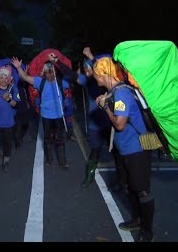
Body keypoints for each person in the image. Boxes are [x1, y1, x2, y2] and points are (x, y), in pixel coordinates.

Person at [93, 57, 155, 242]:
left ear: (103, 73)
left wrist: (105, 107)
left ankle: (147, 230)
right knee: (129, 187)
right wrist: (105, 101)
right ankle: (136, 219)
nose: (94, 77)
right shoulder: (114, 92)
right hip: (124, 149)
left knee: (142, 190)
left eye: (95, 73)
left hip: (136, 150)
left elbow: (119, 124)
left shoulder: (121, 94)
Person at [48, 48, 125, 189]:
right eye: (85, 68)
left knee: (117, 153)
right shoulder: (86, 80)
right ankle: (89, 178)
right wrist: (57, 61)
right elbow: (71, 74)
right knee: (95, 151)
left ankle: (121, 181)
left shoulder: (106, 80)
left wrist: (91, 56)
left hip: (110, 123)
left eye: (88, 68)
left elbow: (104, 68)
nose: (86, 71)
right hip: (95, 125)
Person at [11, 57, 70, 169]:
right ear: (44, 73)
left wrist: (59, 63)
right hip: (46, 116)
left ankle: (62, 162)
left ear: (55, 71)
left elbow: (73, 77)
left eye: (51, 71)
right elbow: (24, 77)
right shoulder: (39, 81)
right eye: (47, 72)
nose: (49, 74)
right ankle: (49, 159)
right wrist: (19, 68)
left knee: (60, 139)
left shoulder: (62, 82)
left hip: (59, 115)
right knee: (47, 139)